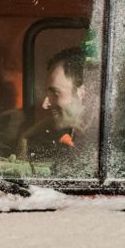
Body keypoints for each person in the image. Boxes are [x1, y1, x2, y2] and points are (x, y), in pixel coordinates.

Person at [17, 47, 97, 175]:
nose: (45, 104)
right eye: (47, 94)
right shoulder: (57, 132)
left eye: (55, 93)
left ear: (82, 93)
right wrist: (24, 138)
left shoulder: (115, 142)